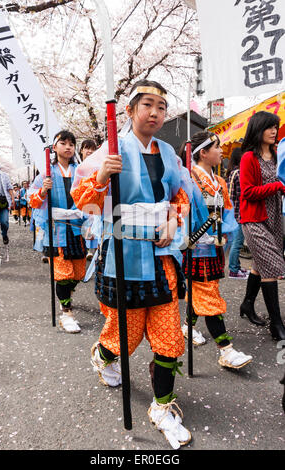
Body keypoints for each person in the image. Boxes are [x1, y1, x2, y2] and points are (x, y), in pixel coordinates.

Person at [71, 79, 193, 449]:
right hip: (122, 254)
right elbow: (84, 201)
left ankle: (162, 407)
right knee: (127, 334)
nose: (155, 112)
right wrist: (103, 176)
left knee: (169, 337)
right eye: (148, 105)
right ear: (129, 110)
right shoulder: (110, 148)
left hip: (161, 256)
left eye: (161, 106)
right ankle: (102, 354)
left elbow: (181, 195)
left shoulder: (169, 153)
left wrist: (174, 220)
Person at [180, 131, 253, 368]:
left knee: (204, 290)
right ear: (203, 152)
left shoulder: (219, 181)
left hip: (214, 245)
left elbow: (229, 211)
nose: (222, 152)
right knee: (209, 295)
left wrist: (224, 233)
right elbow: (179, 212)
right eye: (217, 147)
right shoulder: (187, 179)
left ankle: (187, 326)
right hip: (196, 246)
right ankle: (226, 350)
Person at [29, 130, 87, 334]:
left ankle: (67, 295)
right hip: (57, 229)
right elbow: (32, 200)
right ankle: (66, 312)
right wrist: (43, 190)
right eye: (63, 143)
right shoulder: (46, 173)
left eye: (72, 143)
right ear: (54, 147)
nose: (68, 146)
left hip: (77, 228)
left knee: (79, 272)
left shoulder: (80, 171)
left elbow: (89, 197)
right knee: (63, 274)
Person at [240, 111, 285, 340]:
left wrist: (282, 186)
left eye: (275, 127)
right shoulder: (249, 157)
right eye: (269, 127)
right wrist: (276, 186)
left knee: (260, 264)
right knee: (273, 265)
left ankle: (247, 304)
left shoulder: (277, 155)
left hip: (275, 217)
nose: (273, 131)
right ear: (258, 129)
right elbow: (247, 192)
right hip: (254, 218)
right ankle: (276, 325)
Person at [226, 147, 250, 280]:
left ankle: (236, 267)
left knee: (235, 242)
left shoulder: (231, 172)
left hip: (231, 213)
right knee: (237, 243)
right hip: (239, 213)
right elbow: (243, 195)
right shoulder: (240, 173)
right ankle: (234, 270)